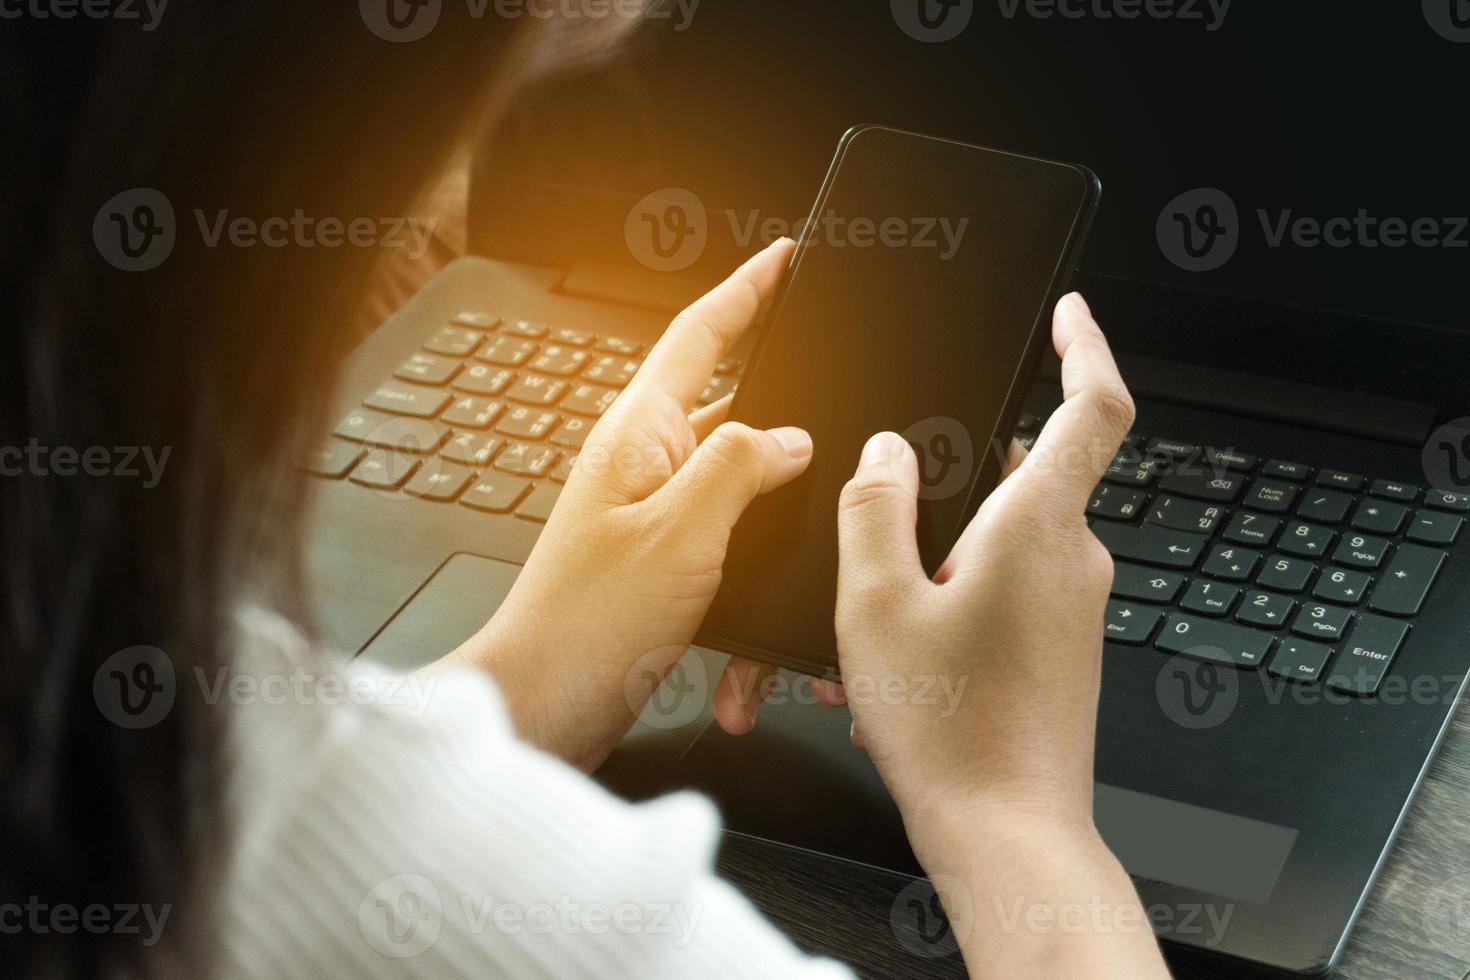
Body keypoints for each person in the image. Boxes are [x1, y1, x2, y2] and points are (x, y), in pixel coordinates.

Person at [1, 5, 1168, 978]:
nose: (451, 221)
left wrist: (525, 678)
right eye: (470, 122)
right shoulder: (569, 924)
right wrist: (1020, 818)